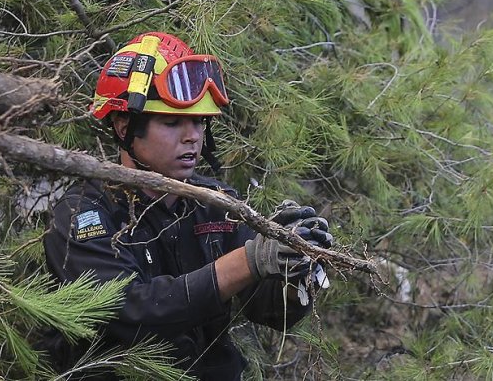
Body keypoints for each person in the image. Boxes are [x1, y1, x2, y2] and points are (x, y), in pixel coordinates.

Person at [42, 31, 333, 380]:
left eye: (198, 121)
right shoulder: (83, 215)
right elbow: (131, 315)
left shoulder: (216, 203)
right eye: (172, 122)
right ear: (123, 126)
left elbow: (269, 311)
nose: (191, 136)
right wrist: (250, 259)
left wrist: (298, 268)